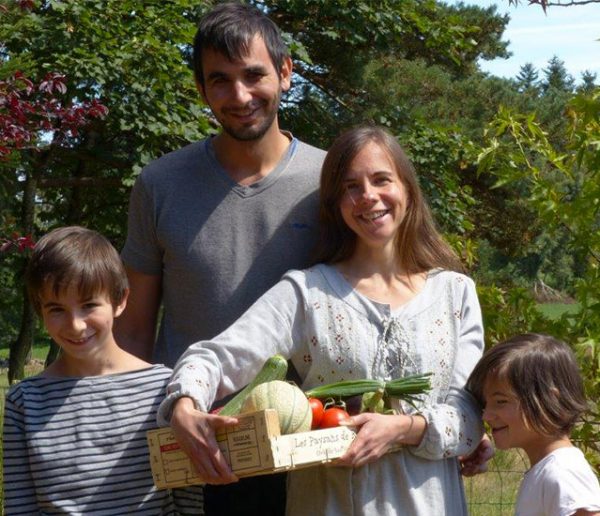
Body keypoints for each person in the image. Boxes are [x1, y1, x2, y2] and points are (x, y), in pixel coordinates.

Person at [157, 125, 486, 516]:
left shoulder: (455, 293)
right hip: (330, 503)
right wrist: (185, 403)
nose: (368, 197)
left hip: (431, 503)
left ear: (408, 190)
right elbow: (216, 357)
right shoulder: (307, 292)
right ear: (336, 203)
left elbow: (467, 416)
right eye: (351, 187)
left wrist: (403, 428)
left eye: (382, 180)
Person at [115, 3, 326, 514]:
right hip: (193, 443)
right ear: (201, 89)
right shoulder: (160, 184)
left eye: (254, 75)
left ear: (286, 72)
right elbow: (134, 330)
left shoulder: (332, 183)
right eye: (220, 80)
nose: (240, 96)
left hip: (312, 443)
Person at [2, 226, 202, 515]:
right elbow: (20, 507)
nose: (76, 325)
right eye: (57, 309)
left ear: (119, 301)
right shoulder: (24, 401)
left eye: (88, 305)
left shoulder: (165, 389)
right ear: (39, 308)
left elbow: (187, 495)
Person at [466, 333, 600, 516]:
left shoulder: (562, 474)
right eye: (485, 403)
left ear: (549, 400)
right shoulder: (546, 470)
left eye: (501, 401)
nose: (486, 415)